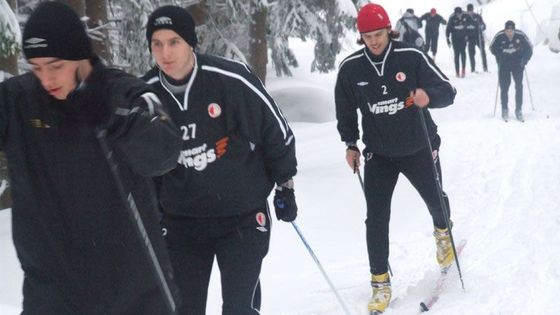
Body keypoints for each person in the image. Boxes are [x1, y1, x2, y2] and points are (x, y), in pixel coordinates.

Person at [0, 2, 182, 314]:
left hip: (131, 290)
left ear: (79, 55)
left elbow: (164, 152)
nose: (46, 79)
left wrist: (116, 117)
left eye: (55, 66)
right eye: (37, 67)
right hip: (51, 293)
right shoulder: (18, 101)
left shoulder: (126, 94)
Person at [142, 6, 298, 315]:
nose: (165, 52)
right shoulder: (145, 96)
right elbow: (138, 163)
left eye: (173, 42)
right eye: (157, 44)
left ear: (191, 42)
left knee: (239, 307)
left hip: (241, 216)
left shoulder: (230, 79)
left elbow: (276, 131)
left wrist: (285, 185)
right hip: (182, 223)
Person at [336, 3, 456, 314]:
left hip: (418, 146)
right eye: (367, 36)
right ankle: (380, 283)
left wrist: (428, 97)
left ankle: (443, 234)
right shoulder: (351, 69)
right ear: (360, 37)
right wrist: (351, 144)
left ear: (390, 30)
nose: (374, 41)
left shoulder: (411, 57)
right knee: (376, 219)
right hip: (379, 154)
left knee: (435, 198)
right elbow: (345, 110)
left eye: (378, 34)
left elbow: (448, 90)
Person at [490, 20, 533, 121]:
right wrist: (499, 55)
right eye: (507, 31)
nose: (509, 33)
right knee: (504, 87)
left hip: (518, 64)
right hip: (504, 64)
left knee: (519, 86)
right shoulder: (499, 36)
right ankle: (504, 109)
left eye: (511, 31)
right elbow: (492, 47)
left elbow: (529, 48)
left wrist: (525, 60)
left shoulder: (520, 35)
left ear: (514, 30)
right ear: (504, 30)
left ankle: (518, 109)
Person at [446, 7, 472, 77]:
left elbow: (470, 24)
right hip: (455, 39)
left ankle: (463, 69)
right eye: (457, 14)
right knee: (456, 55)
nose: (458, 15)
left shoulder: (466, 16)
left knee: (463, 53)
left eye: (459, 14)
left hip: (463, 38)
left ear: (461, 12)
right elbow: (448, 29)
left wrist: (468, 34)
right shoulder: (452, 18)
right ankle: (457, 71)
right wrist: (447, 39)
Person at [466, 3, 488, 72]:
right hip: (470, 38)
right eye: (469, 11)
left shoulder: (477, 16)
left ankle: (485, 67)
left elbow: (484, 25)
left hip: (479, 37)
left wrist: (482, 27)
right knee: (471, 53)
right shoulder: (465, 18)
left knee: (483, 52)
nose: (470, 12)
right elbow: (464, 28)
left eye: (471, 10)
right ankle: (473, 68)